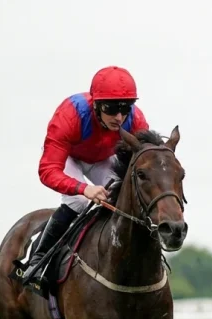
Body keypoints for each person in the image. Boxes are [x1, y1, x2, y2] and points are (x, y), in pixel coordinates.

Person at [20, 65, 149, 287]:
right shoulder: (70, 115)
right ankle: (38, 259)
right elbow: (48, 171)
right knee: (79, 201)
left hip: (102, 158)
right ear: (96, 104)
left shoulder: (135, 120)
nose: (119, 117)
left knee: (121, 197)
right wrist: (83, 189)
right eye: (111, 108)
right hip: (69, 157)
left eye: (125, 107)